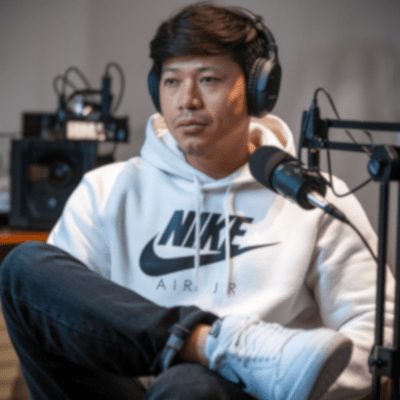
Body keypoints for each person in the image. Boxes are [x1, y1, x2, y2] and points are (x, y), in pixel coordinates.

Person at [0, 3, 395, 400]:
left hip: (244, 396)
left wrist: (286, 387)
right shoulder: (106, 191)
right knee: (22, 268)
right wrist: (200, 348)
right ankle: (218, 345)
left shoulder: (313, 200)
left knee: (189, 386)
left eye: (209, 79)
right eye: (172, 81)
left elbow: (377, 335)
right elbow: (61, 316)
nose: (186, 100)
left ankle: (250, 364)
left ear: (258, 91)